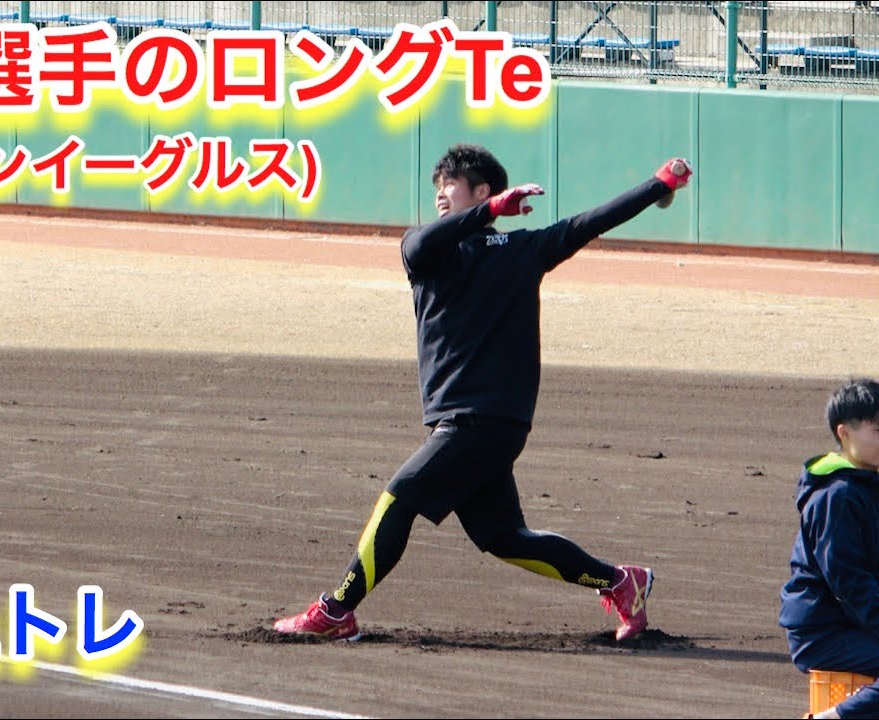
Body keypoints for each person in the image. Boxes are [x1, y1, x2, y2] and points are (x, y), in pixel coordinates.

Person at [273, 144, 692, 643]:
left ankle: (336, 610)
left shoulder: (522, 249)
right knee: (503, 536)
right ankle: (622, 581)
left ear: (482, 190)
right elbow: (420, 245)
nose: (440, 195)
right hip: (490, 423)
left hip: (476, 421)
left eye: (450, 184)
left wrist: (659, 185)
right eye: (437, 186)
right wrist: (490, 211)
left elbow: (590, 222)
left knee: (400, 499)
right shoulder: (428, 251)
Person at [779, 379, 879, 720]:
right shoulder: (836, 497)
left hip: (854, 622)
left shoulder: (867, 487)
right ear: (844, 433)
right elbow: (848, 584)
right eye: (878, 430)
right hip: (823, 632)